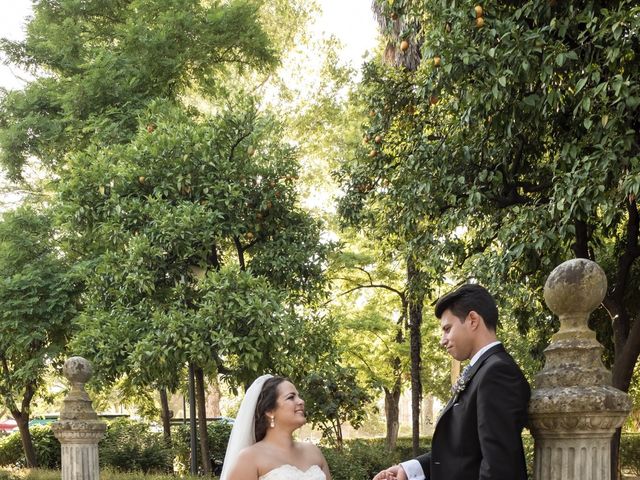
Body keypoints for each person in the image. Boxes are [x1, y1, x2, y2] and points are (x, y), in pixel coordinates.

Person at [374, 283, 530, 480]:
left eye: (447, 329)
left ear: (473, 320)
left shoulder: (497, 373)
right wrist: (408, 470)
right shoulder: (482, 370)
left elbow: (499, 468)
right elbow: (464, 453)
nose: (443, 340)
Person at [220, 374, 331, 480]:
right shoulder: (249, 458)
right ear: (270, 411)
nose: (301, 401)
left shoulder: (314, 452)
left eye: (299, 396)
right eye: (291, 397)